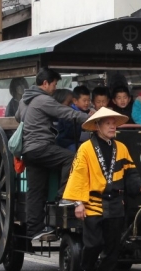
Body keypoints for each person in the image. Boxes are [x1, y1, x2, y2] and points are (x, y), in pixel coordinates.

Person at [63, 108, 141, 271]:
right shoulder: (86, 148)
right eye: (108, 123)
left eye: (114, 123)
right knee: (93, 244)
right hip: (93, 203)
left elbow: (131, 172)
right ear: (97, 126)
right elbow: (78, 176)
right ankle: (88, 270)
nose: (113, 126)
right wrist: (78, 203)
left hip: (115, 203)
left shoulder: (121, 147)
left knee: (113, 248)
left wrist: (140, 188)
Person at [15, 68, 92, 242]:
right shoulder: (42, 99)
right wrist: (91, 118)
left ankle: (34, 230)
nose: (55, 88)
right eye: (54, 84)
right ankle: (64, 197)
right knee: (71, 158)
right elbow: (66, 113)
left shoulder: (24, 100)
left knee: (35, 191)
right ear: (45, 83)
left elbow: (17, 117)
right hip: (41, 146)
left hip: (28, 150)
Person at [56, 85, 91, 152]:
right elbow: (70, 132)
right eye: (84, 100)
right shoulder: (69, 113)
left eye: (88, 100)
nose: (87, 103)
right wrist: (85, 124)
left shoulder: (87, 112)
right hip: (68, 143)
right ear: (75, 101)